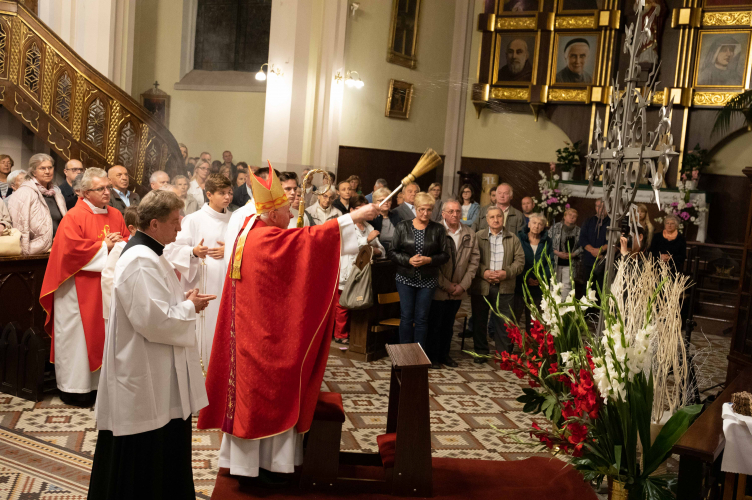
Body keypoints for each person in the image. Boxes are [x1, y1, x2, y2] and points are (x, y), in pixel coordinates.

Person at [197, 168, 378, 482]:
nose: (290, 213)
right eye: (286, 210)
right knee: (270, 394)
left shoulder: (251, 230)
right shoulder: (265, 238)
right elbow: (307, 244)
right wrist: (353, 217)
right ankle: (265, 466)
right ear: (270, 212)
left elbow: (298, 245)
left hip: (253, 331)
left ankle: (247, 464)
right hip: (264, 339)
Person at [89, 190, 215, 500]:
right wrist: (190, 308)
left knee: (160, 447)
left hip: (156, 369)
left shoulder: (153, 252)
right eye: (175, 221)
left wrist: (181, 301)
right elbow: (152, 321)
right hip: (143, 372)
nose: (180, 228)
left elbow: (155, 306)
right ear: (154, 223)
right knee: (144, 454)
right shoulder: (140, 260)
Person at [39, 167, 128, 407]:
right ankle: (74, 389)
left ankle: (100, 387)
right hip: (75, 289)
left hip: (106, 288)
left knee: (105, 335)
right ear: (85, 193)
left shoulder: (116, 215)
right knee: (76, 339)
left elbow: (127, 241)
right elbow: (70, 252)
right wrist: (103, 247)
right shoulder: (73, 216)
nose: (107, 192)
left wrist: (118, 246)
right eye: (101, 188)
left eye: (108, 187)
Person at [164, 174, 233, 367]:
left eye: (229, 193)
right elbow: (173, 248)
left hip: (227, 282)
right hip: (202, 281)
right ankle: (200, 371)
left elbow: (244, 248)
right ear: (209, 194)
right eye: (222, 193)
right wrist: (193, 252)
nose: (227, 197)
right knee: (204, 329)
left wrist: (228, 250)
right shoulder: (194, 220)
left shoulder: (235, 219)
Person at [388, 192, 450, 351]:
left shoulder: (438, 228)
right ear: (415, 208)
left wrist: (429, 260)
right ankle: (404, 355)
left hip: (428, 280)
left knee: (422, 319)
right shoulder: (403, 226)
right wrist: (408, 260)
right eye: (421, 209)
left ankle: (417, 356)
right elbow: (392, 252)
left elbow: (445, 255)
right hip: (405, 278)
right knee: (406, 317)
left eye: (429, 210)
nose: (425, 213)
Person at [428, 200, 479, 368]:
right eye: (451, 211)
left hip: (459, 288)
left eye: (457, 211)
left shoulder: (470, 233)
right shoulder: (435, 231)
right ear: (443, 214)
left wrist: (462, 285)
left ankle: (445, 355)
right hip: (439, 287)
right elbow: (433, 263)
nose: (455, 214)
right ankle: (433, 356)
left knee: (449, 324)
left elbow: (474, 262)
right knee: (435, 324)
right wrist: (446, 285)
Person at [470, 206, 525, 362]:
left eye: (499, 216)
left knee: (504, 322)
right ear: (487, 220)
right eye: (492, 217)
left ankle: (504, 354)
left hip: (505, 286)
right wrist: (484, 272)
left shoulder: (513, 238)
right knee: (479, 321)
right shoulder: (477, 236)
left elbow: (520, 261)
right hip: (482, 286)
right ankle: (481, 352)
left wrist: (505, 273)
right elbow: (472, 259)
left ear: (504, 218)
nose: (496, 220)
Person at [333, 195, 384, 345]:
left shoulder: (368, 226)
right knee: (343, 304)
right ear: (351, 210)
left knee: (357, 303)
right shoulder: (345, 226)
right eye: (358, 208)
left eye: (364, 208)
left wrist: (376, 250)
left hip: (363, 272)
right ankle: (340, 334)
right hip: (347, 269)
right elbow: (346, 248)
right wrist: (367, 241)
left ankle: (353, 334)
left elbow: (380, 248)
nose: (362, 211)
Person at [7, 154, 67, 255]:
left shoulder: (57, 195)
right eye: (42, 168)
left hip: (58, 249)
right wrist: (24, 254)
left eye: (50, 167)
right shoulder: (24, 193)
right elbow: (19, 227)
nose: (47, 172)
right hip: (35, 252)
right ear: (33, 172)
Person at [101, 206, 140, 332]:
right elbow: (108, 279)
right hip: (122, 308)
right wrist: (113, 309)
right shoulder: (120, 248)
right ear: (131, 229)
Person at [517, 213, 555, 331]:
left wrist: (541, 278)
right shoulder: (519, 238)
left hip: (538, 286)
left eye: (540, 224)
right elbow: (515, 260)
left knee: (534, 320)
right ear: (529, 224)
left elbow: (550, 263)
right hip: (520, 285)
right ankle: (509, 348)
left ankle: (531, 347)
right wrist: (526, 277)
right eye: (534, 223)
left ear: (544, 227)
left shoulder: (547, 241)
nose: (537, 226)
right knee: (515, 317)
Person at [550, 207, 582, 300]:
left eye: (574, 216)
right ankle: (552, 308)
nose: (572, 218)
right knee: (554, 285)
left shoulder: (578, 231)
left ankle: (564, 308)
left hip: (570, 263)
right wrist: (557, 253)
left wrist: (573, 254)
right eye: (570, 215)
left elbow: (582, 246)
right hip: (556, 262)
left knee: (567, 288)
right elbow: (547, 243)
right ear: (564, 216)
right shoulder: (555, 227)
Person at [578, 198, 610, 285]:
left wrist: (600, 250)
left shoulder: (612, 223)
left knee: (601, 289)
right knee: (587, 288)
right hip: (588, 260)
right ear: (595, 207)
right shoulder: (588, 221)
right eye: (599, 207)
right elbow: (582, 239)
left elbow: (613, 240)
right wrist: (593, 250)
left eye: (604, 207)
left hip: (604, 261)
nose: (601, 209)